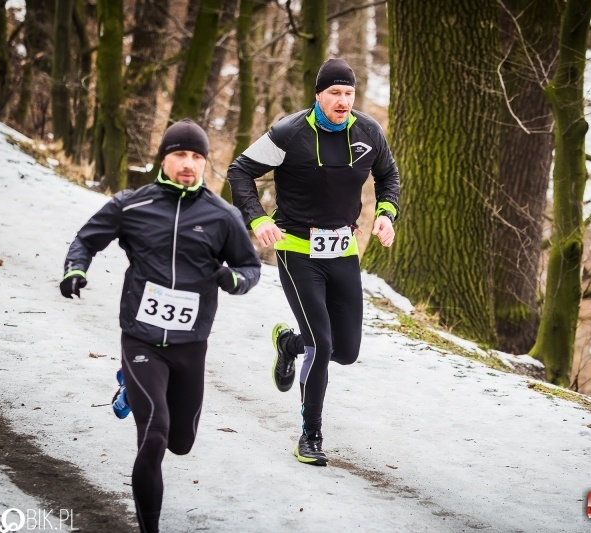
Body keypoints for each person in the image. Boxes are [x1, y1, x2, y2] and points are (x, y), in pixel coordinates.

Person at [60, 119, 261, 533]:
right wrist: (75, 269)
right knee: (154, 432)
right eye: (179, 155)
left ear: (205, 163)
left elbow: (249, 266)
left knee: (181, 442)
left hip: (191, 345)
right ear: (163, 159)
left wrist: (235, 280)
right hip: (142, 338)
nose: (188, 164)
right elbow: (86, 239)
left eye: (196, 156)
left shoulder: (222, 216)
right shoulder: (132, 205)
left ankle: (130, 389)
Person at [227, 58, 400, 466]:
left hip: (343, 252)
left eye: (349, 93)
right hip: (297, 251)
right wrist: (257, 218)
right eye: (334, 93)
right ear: (318, 95)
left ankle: (289, 343)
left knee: (346, 350)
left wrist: (387, 214)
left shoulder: (368, 131)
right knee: (321, 345)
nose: (343, 101)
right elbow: (240, 170)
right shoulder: (289, 133)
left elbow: (389, 176)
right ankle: (310, 435)